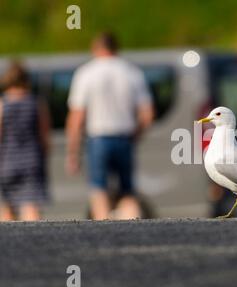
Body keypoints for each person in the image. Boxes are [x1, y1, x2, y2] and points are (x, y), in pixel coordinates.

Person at [66, 32, 154, 220]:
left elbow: (76, 117)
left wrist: (73, 152)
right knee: (127, 191)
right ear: (116, 48)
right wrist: (136, 135)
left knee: (99, 189)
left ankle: (102, 232)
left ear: (95, 48)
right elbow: (147, 114)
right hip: (125, 137)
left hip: (98, 138)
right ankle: (133, 230)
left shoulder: (86, 73)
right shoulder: (132, 72)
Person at [0, 61, 51, 221]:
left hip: (6, 163)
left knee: (7, 205)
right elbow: (44, 135)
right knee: (30, 206)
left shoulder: (3, 104)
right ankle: (35, 242)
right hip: (31, 161)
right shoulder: (36, 103)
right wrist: (44, 155)